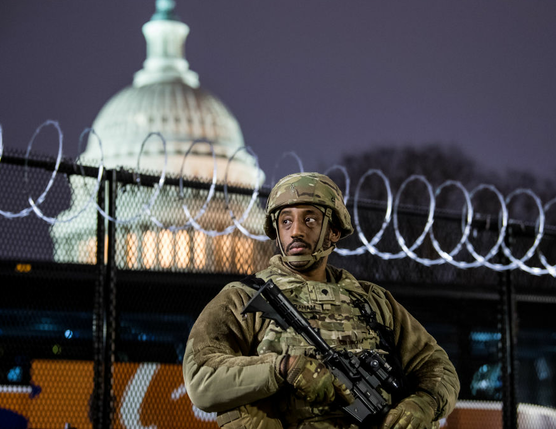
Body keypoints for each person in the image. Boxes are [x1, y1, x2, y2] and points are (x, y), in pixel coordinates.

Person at [183, 172, 459, 429]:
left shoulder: (373, 301)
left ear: (333, 231)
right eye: (286, 221)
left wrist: (424, 402)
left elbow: (436, 366)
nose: (296, 232)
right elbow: (201, 378)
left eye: (310, 220)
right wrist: (282, 368)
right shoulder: (242, 297)